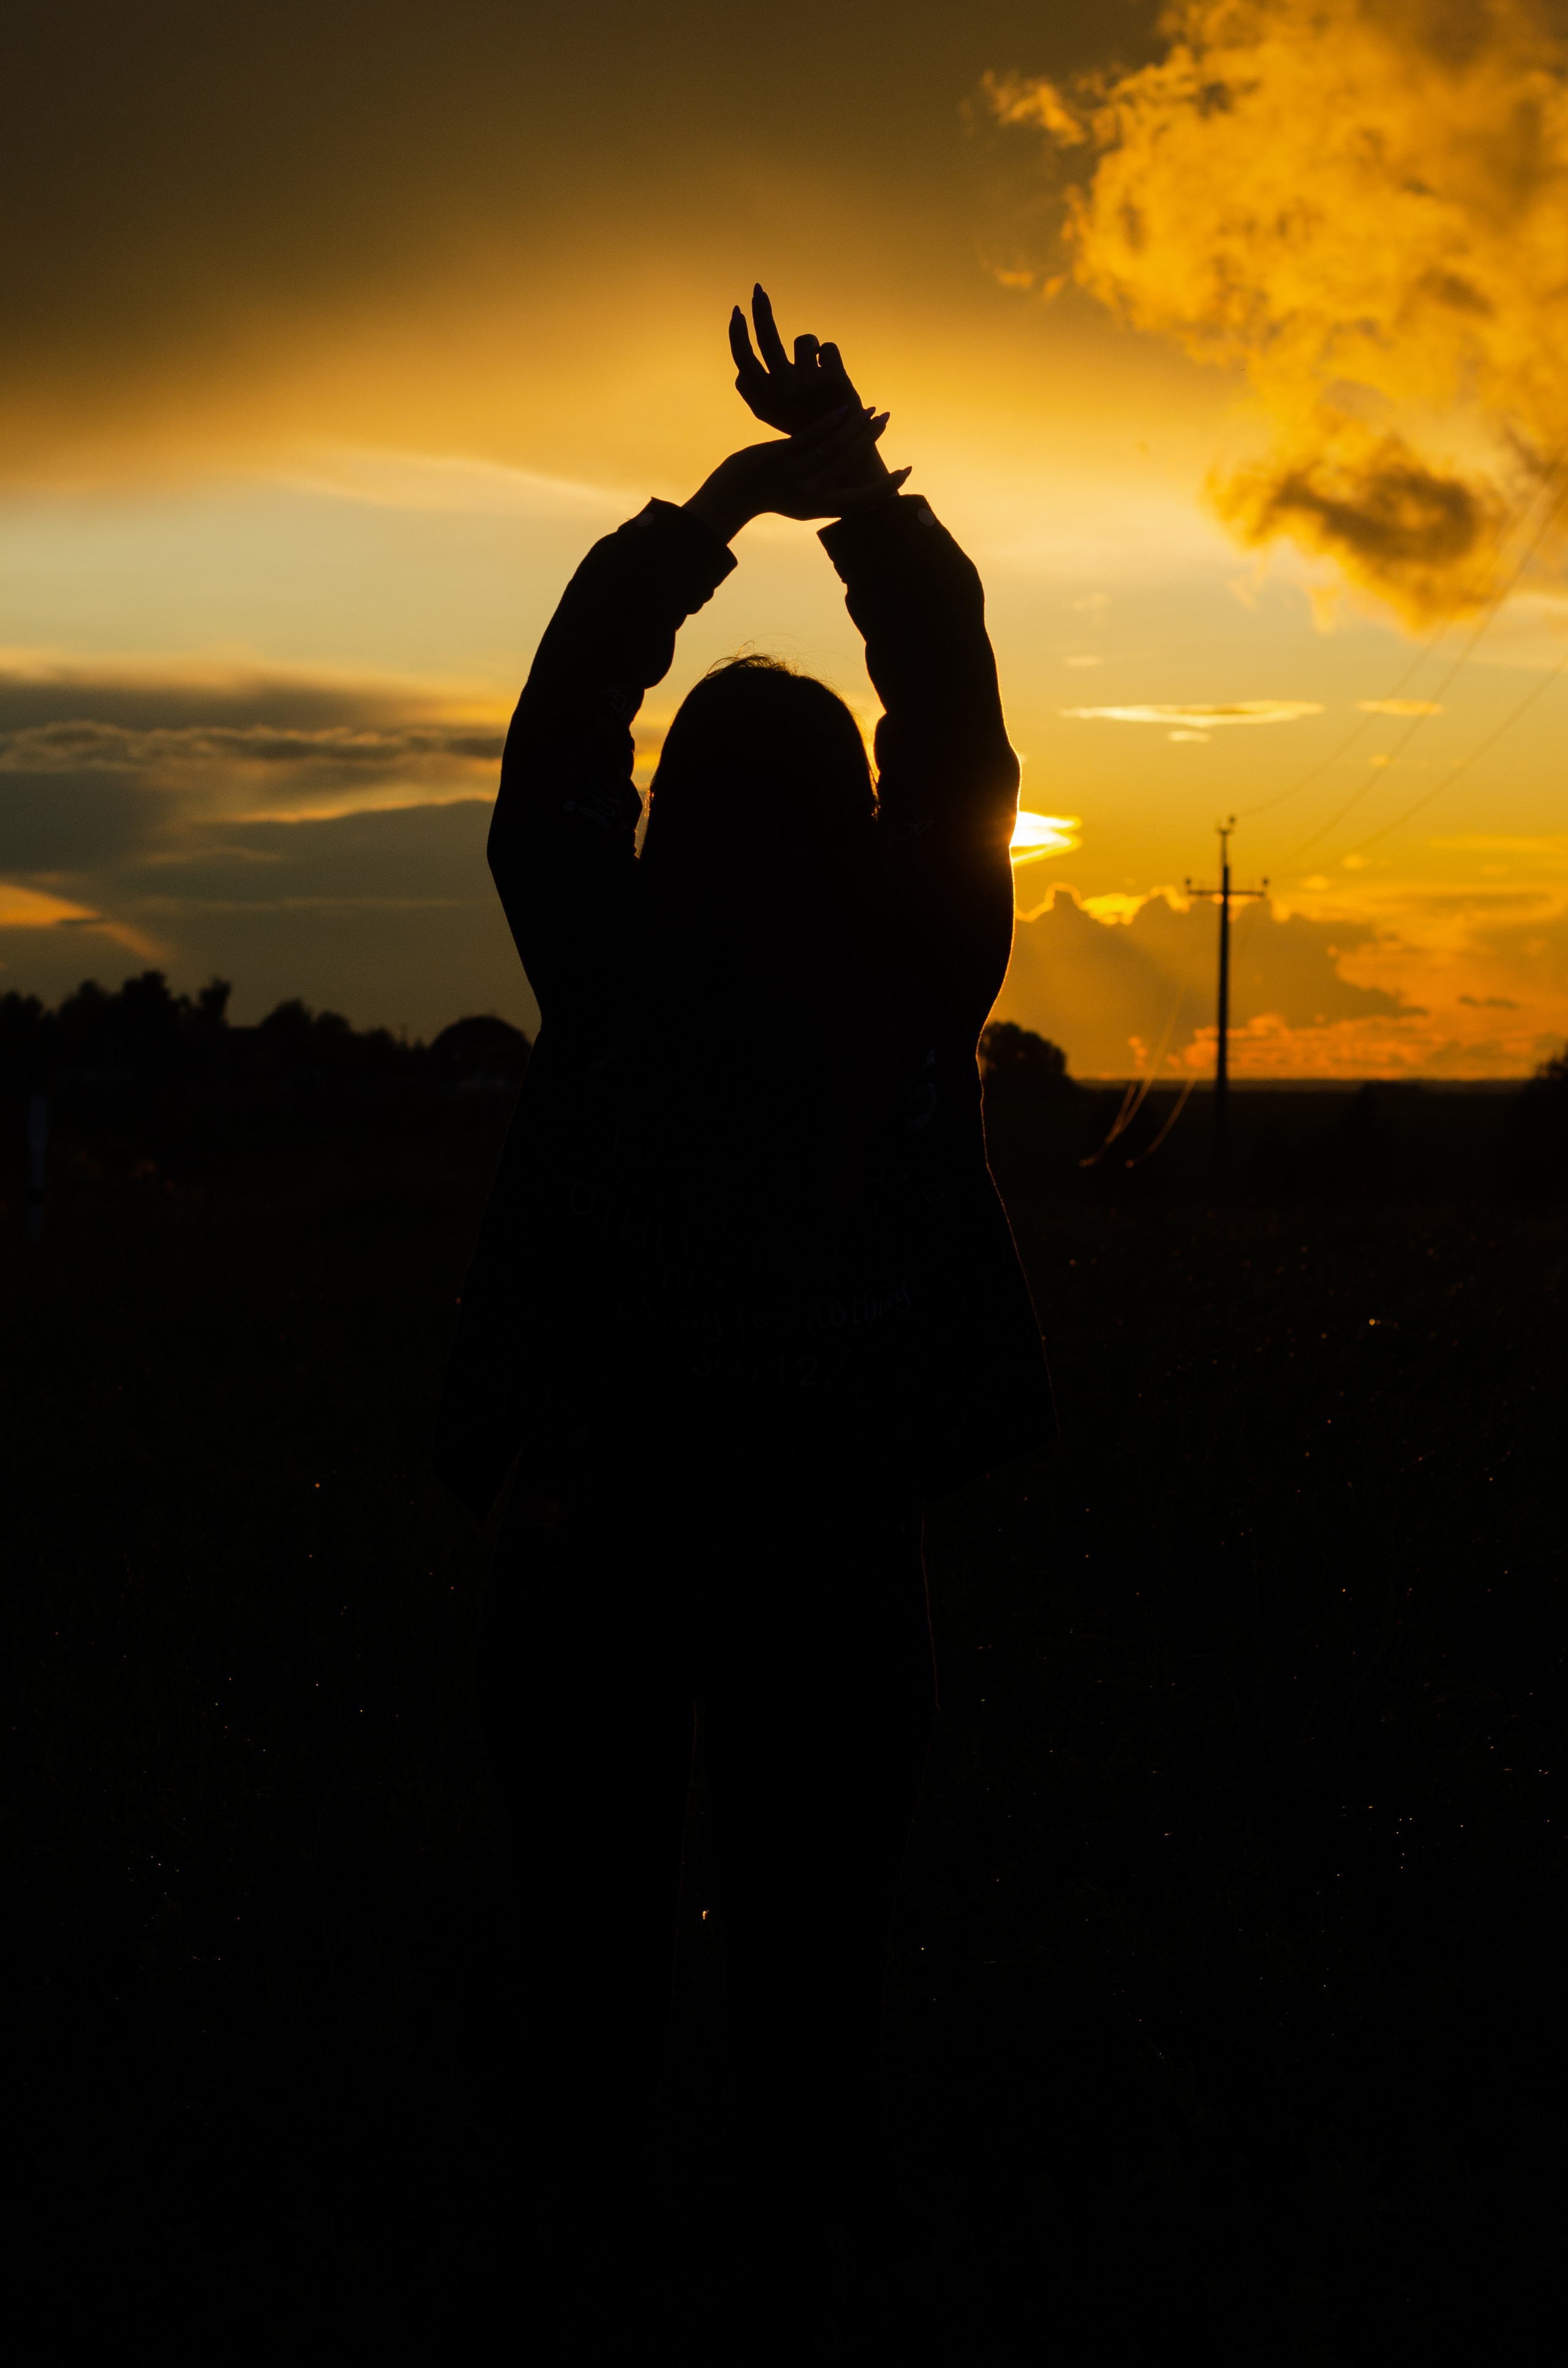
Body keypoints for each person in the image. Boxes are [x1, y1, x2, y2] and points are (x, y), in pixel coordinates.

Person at [434, 286, 1054, 2347]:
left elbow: (549, 750)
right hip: (837, 1535)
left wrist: (717, 513)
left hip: (594, 1529)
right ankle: (820, 2262)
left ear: (667, 812)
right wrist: (858, 492)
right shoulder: (912, 973)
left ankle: (580, 2256)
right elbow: (957, 723)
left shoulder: (602, 970)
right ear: (860, 822)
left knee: (588, 1980)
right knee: (819, 1979)